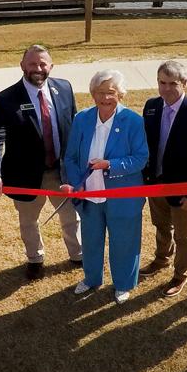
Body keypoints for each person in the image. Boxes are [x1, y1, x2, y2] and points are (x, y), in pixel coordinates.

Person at [0, 44, 81, 280]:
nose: (37, 69)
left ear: (51, 66)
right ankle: (35, 259)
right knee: (29, 221)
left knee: (71, 217)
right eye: (32, 64)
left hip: (62, 172)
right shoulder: (5, 100)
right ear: (22, 66)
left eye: (42, 64)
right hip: (26, 175)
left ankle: (78, 255)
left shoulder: (65, 88)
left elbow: (75, 126)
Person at [59, 70, 148, 305]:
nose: (104, 98)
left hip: (123, 195)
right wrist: (78, 184)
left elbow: (140, 158)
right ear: (92, 94)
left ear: (120, 94)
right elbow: (70, 157)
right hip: (89, 194)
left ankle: (123, 284)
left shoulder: (133, 121)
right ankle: (91, 278)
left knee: (124, 240)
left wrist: (110, 165)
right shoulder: (82, 118)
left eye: (110, 92)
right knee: (91, 238)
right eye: (99, 92)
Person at [141, 60, 187, 298]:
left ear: (184, 83)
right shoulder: (151, 106)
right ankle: (162, 259)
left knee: (183, 235)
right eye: (161, 83)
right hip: (155, 183)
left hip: (183, 190)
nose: (165, 89)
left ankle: (180, 274)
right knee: (161, 226)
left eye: (172, 83)